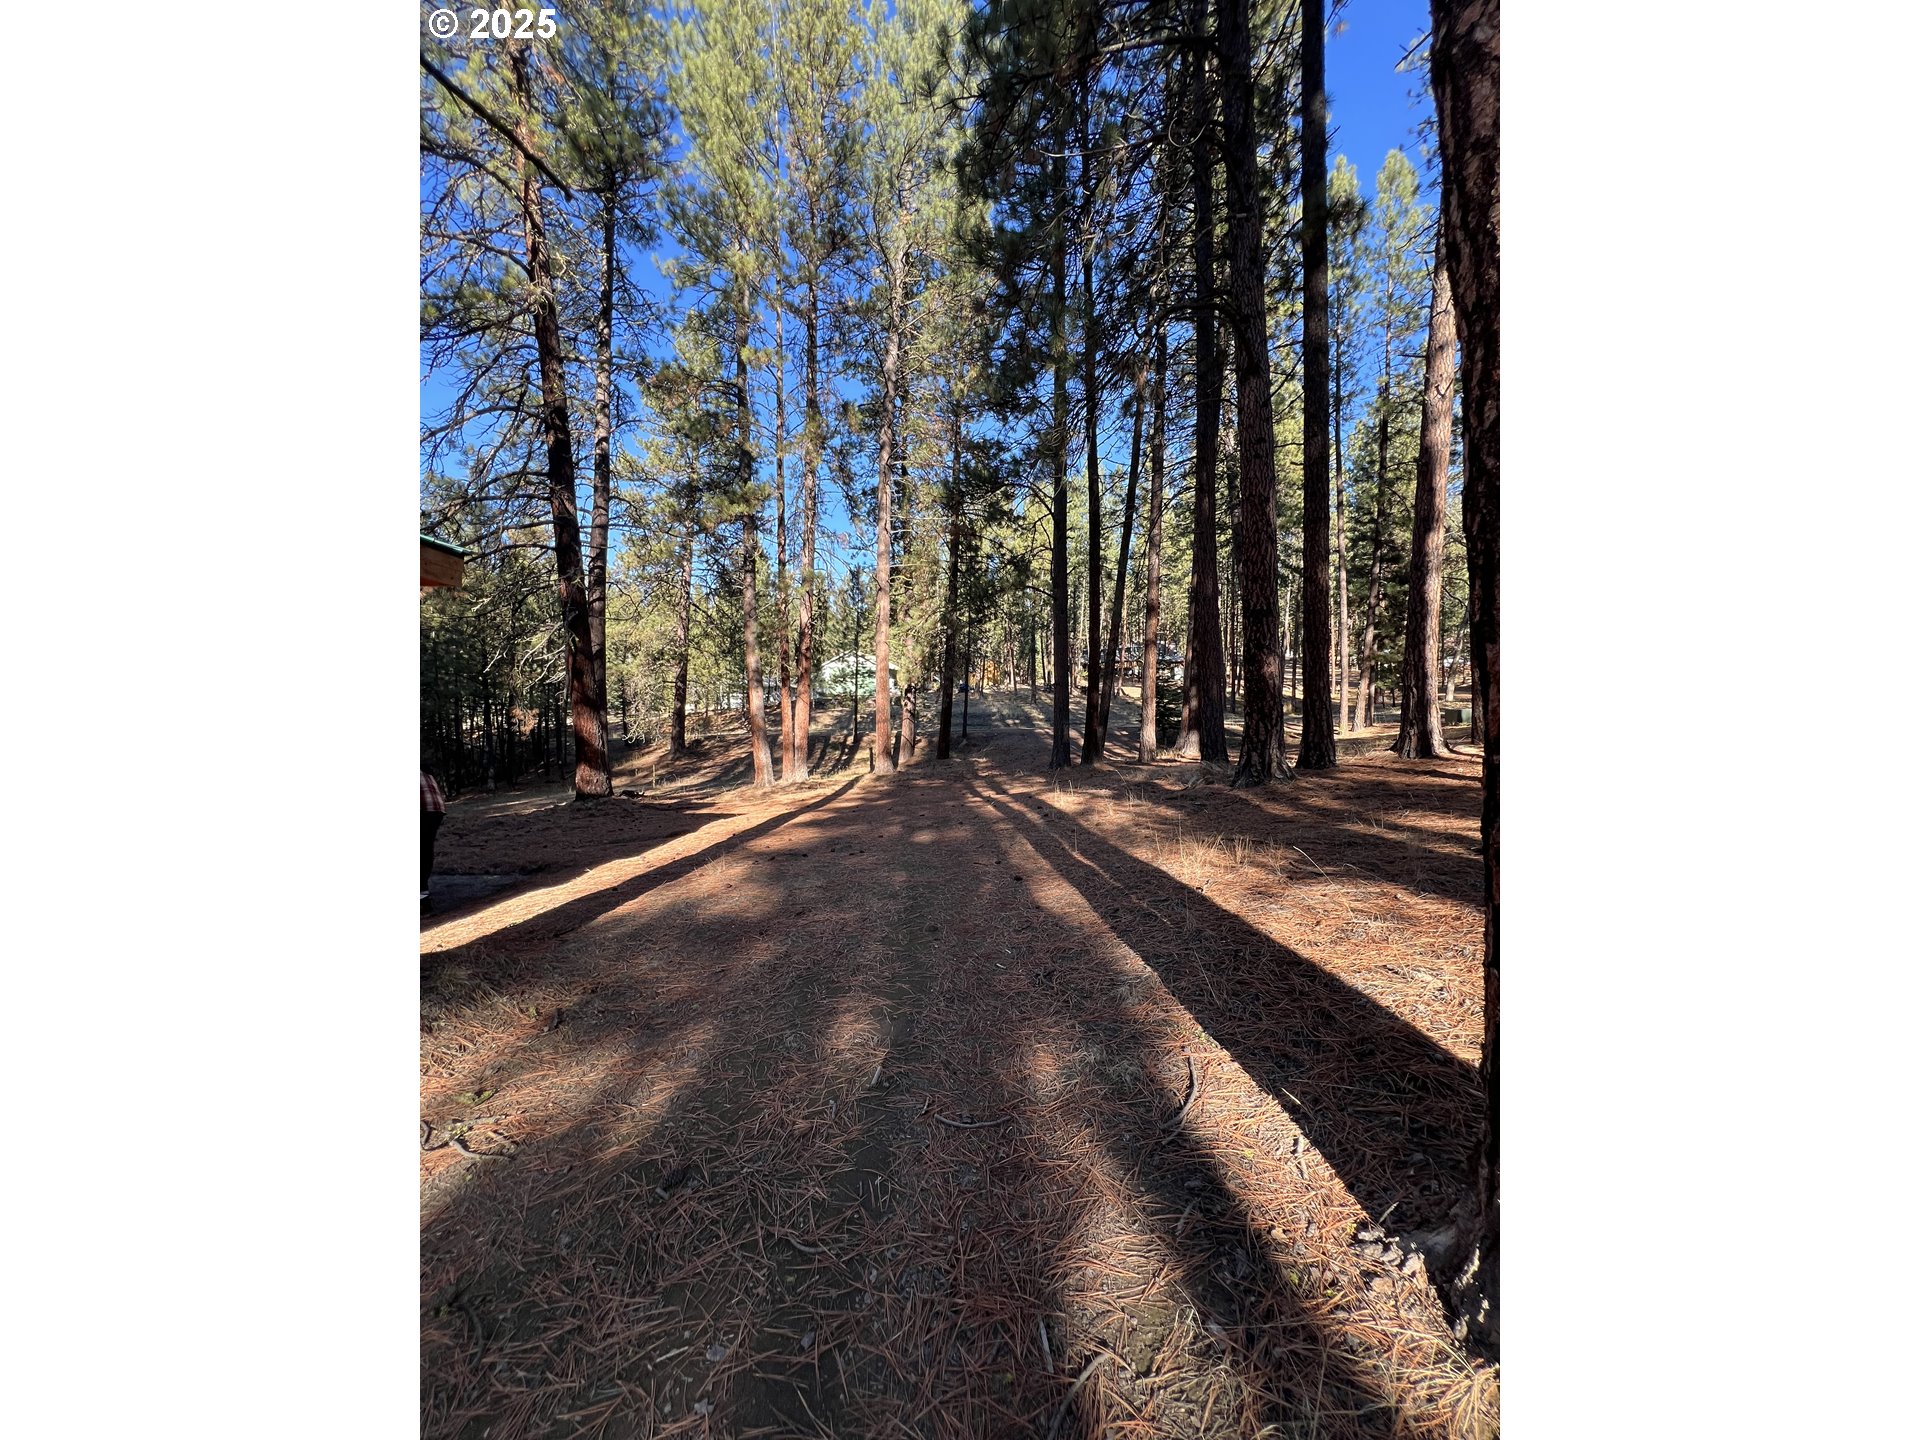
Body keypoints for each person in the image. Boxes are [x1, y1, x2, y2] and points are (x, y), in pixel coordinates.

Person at [421, 768, 446, 913]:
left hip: (423, 809)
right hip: (436, 810)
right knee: (425, 851)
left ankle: (422, 901)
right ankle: (423, 899)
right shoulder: (425, 771)